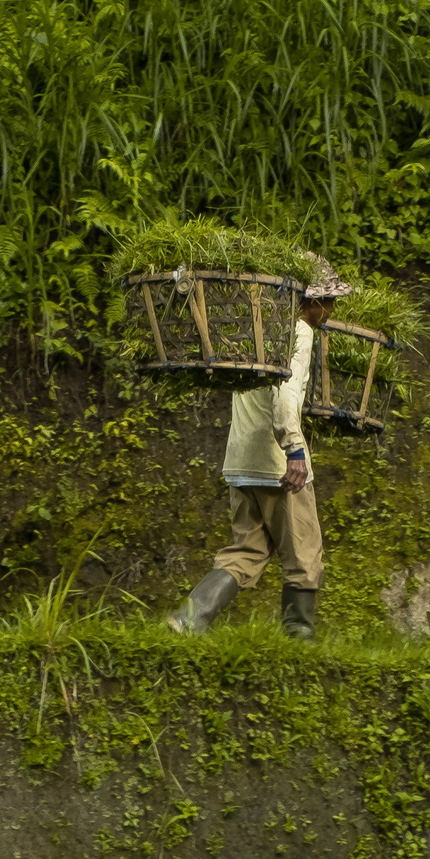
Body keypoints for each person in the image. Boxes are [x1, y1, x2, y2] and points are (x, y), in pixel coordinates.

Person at [166, 258, 354, 642]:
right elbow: (285, 401)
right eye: (326, 301)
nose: (330, 310)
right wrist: (296, 452)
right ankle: (299, 638)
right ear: (305, 302)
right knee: (304, 552)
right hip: (276, 464)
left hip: (240, 461)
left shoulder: (255, 331)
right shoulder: (298, 333)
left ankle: (189, 619)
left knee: (246, 549)